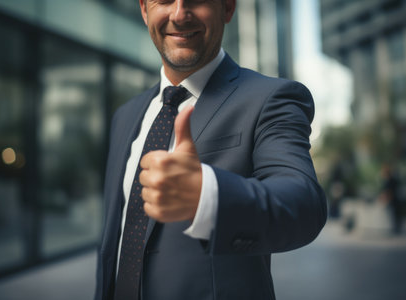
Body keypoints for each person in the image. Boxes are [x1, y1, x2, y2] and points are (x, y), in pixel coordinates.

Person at [95, 0, 327, 299]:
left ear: (227, 8)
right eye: (164, 0)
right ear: (144, 9)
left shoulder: (273, 99)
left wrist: (207, 195)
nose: (179, 14)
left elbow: (303, 204)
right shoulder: (125, 116)